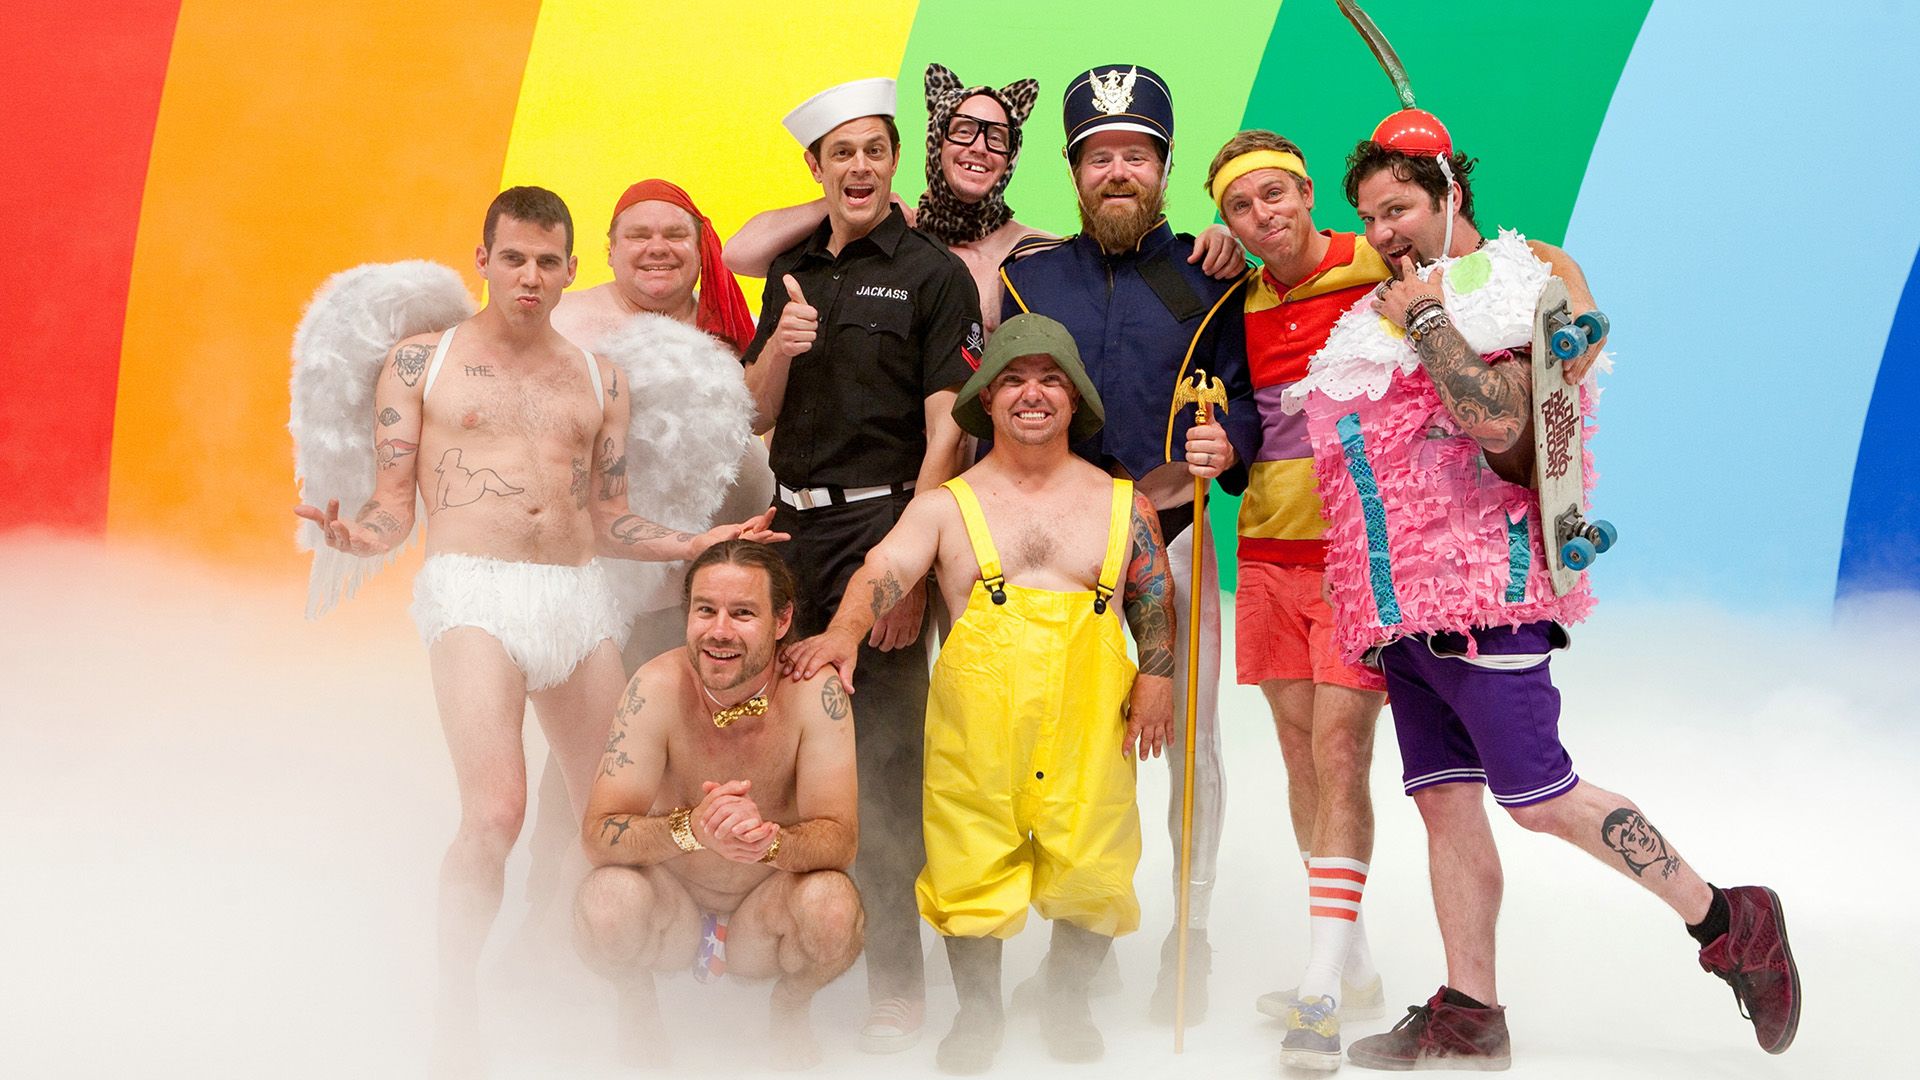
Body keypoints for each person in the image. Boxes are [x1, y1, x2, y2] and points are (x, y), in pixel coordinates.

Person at [1285, 111, 1799, 1070]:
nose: (1383, 231)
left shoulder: (1517, 286)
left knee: (1539, 795)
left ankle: (1728, 920)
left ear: (1450, 194)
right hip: (1403, 618)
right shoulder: (1387, 307)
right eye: (1371, 216)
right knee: (1444, 805)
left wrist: (1428, 317)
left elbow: (1497, 421)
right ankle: (1471, 1010)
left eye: (1399, 208)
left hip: (1489, 601)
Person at [292, 186, 784, 1075]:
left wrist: (694, 543)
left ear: (569, 270)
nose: (529, 275)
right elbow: (393, 507)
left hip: (575, 599)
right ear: (483, 260)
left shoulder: (602, 379)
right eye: (513, 257)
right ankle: (456, 1005)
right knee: (498, 813)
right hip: (474, 594)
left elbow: (610, 519)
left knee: (622, 818)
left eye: (546, 261)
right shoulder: (421, 361)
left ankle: (628, 1002)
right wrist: (356, 535)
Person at [784, 313, 1178, 1072]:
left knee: (1095, 866)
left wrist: (1157, 677)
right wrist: (843, 633)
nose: (1033, 394)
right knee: (967, 866)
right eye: (1013, 380)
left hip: (1090, 725)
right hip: (976, 732)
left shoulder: (1124, 503)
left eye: (1051, 379)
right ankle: (980, 1014)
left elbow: (1152, 594)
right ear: (986, 400)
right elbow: (884, 569)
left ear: (1075, 398)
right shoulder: (945, 506)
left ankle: (1065, 1001)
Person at [998, 63, 1257, 1021]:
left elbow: (1248, 398)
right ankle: (1084, 936)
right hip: (1060, 548)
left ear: (1164, 166)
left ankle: (1191, 937)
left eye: (1136, 155)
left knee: (1191, 744)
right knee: (1070, 750)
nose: (1118, 171)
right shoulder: (1028, 277)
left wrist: (1231, 443)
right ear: (1073, 171)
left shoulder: (1212, 272)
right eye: (1098, 155)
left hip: (1176, 532)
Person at [739, 76, 981, 1051]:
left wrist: (907, 569)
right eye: (841, 152)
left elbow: (947, 433)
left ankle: (897, 986)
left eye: (875, 149)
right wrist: (782, 348)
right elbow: (756, 412)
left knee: (885, 767)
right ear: (817, 167)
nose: (859, 166)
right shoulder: (791, 270)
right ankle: (794, 968)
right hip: (787, 539)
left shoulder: (933, 275)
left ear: (895, 161)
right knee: (779, 754)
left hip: (882, 530)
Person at [512, 178, 778, 971]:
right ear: (609, 249)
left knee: (695, 765)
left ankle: (669, 931)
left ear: (701, 250)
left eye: (676, 235)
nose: (657, 248)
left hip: (702, 598)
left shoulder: (724, 329)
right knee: (584, 769)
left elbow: (757, 430)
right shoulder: (568, 320)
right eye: (639, 234)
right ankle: (545, 929)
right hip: (599, 595)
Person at [1202, 130, 1394, 1062]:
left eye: (1274, 195)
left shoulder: (1376, 263)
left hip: (1361, 557)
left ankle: (1317, 988)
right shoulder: (1237, 301)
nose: (1261, 215)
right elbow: (1242, 410)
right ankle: (1352, 966)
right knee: (1299, 757)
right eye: (1240, 207)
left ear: (1309, 192)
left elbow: (1487, 273)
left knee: (1340, 750)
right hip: (1267, 555)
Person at [573, 541, 863, 1071]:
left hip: (764, 919)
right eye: (705, 610)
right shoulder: (655, 686)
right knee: (607, 896)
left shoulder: (815, 692)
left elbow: (840, 840)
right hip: (673, 915)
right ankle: (637, 1005)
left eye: (743, 613)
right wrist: (691, 829)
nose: (719, 631)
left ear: (782, 621)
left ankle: (790, 1007)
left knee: (833, 906)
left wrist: (769, 842)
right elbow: (597, 835)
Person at [723, 63, 1245, 336]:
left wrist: (1218, 238)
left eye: (996, 137)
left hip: (996, 477)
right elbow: (739, 254)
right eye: (963, 131)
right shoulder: (887, 234)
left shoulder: (1040, 254)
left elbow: (1122, 264)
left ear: (1010, 158)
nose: (979, 147)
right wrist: (855, 199)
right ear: (935, 142)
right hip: (899, 473)